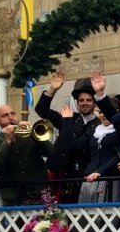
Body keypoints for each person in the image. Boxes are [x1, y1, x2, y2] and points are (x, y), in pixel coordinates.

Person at [35, 70, 101, 202]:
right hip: (59, 175)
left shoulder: (100, 124)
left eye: (88, 100)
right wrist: (52, 90)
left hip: (83, 178)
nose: (84, 103)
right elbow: (42, 110)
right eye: (81, 100)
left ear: (94, 102)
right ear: (77, 103)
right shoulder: (70, 117)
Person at [0, 105, 54, 205]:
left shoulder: (31, 134)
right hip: (12, 198)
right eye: (5, 115)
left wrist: (34, 134)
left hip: (39, 195)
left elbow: (50, 152)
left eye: (12, 113)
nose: (10, 117)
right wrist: (7, 141)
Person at [59, 104, 120, 203]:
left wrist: (100, 172)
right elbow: (73, 146)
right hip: (89, 180)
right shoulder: (94, 131)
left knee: (107, 216)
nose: (103, 115)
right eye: (101, 112)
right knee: (86, 216)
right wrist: (67, 120)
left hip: (110, 180)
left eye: (106, 112)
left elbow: (119, 156)